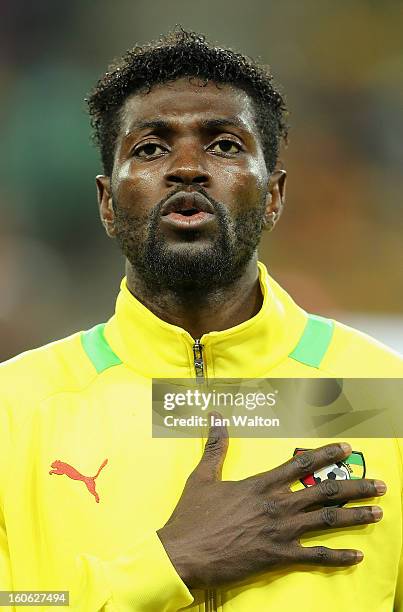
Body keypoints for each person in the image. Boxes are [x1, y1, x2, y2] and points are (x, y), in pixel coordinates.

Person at [0, 28, 402, 612]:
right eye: (151, 149)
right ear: (108, 202)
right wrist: (169, 564)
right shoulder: (15, 407)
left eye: (225, 145)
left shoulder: (381, 393)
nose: (187, 168)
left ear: (274, 195)